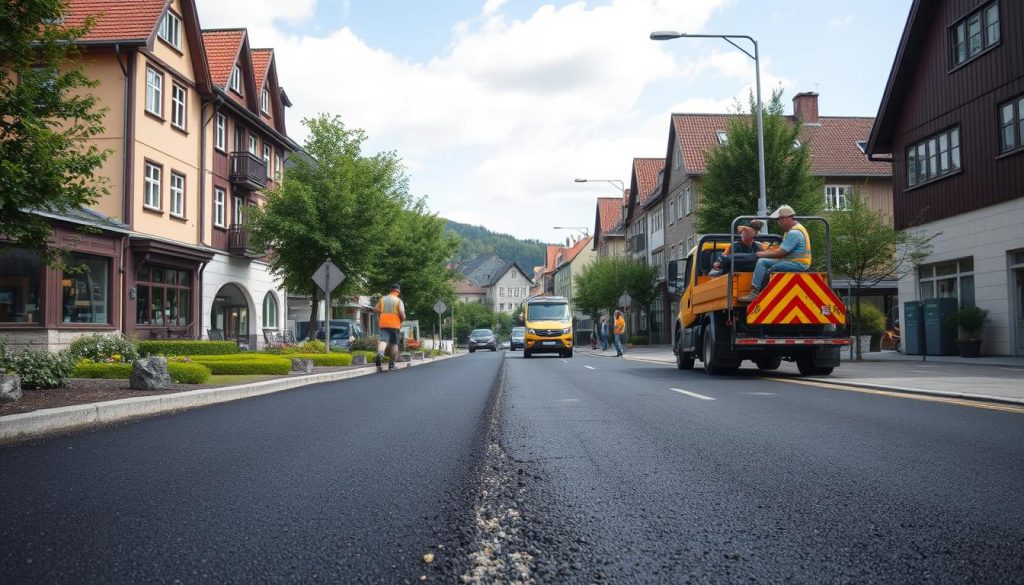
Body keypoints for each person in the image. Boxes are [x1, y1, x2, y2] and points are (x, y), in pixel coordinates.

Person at [738, 205, 811, 303]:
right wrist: (765, 253)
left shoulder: (795, 233)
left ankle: (760, 295)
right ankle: (755, 291)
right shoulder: (791, 231)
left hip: (798, 264)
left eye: (779, 219)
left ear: (787, 218)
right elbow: (782, 250)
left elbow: (781, 252)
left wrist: (762, 254)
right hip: (791, 261)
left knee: (772, 269)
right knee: (762, 262)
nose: (778, 223)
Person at [373, 283, 406, 371]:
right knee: (394, 344)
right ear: (398, 291)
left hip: (383, 323)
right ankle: (391, 365)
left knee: (383, 339)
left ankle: (380, 353)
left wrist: (382, 313)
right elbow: (403, 314)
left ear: (390, 290)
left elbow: (375, 309)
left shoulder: (383, 299)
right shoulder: (398, 301)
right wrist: (402, 320)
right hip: (395, 324)